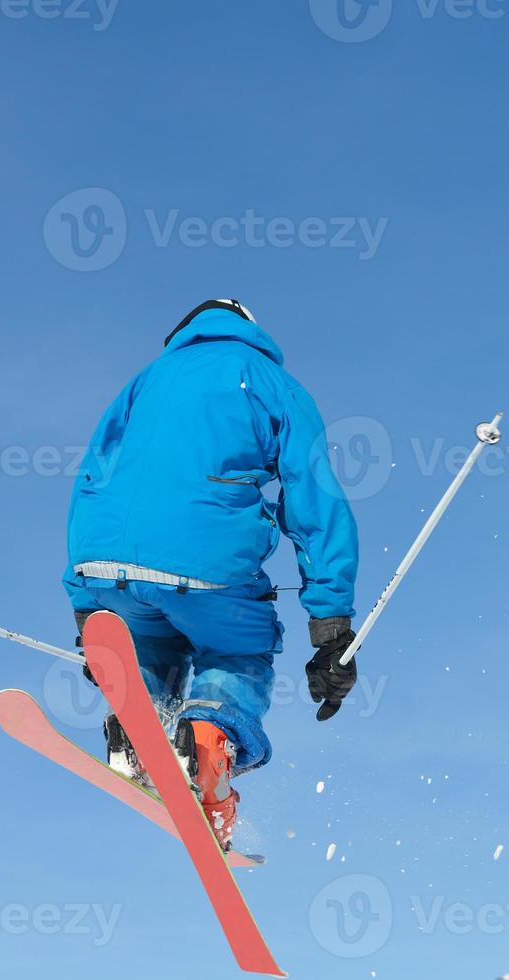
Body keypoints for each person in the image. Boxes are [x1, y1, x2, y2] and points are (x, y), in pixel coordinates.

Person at [64, 299, 360, 851]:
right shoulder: (275, 383)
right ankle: (209, 739)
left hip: (104, 561)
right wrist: (331, 628)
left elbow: (91, 478)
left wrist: (87, 607)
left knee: (148, 640)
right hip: (206, 568)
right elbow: (313, 501)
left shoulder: (142, 383)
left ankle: (135, 725)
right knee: (236, 649)